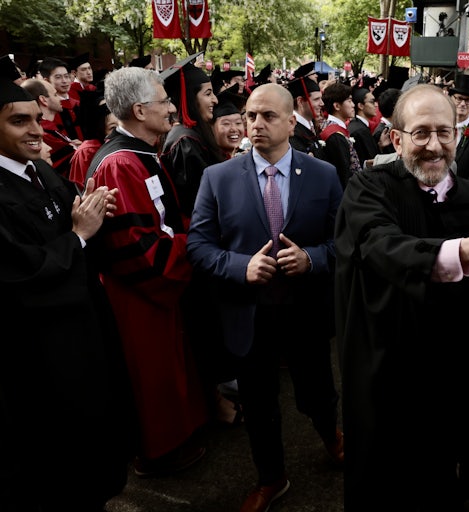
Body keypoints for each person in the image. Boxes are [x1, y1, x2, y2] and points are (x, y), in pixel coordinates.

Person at [336, 83, 469, 512]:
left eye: (444, 133)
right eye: (421, 133)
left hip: (452, 374)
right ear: (397, 138)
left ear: (459, 134)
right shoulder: (369, 188)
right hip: (390, 372)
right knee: (386, 482)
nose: (434, 146)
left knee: (441, 480)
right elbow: (381, 248)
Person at [187, 83, 344, 512]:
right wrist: (242, 267)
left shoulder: (323, 174)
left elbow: (346, 242)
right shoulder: (216, 178)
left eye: (268, 116)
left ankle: (332, 436)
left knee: (317, 389)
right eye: (251, 116)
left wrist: (312, 259)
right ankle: (271, 478)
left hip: (306, 311)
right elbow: (198, 246)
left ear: (292, 122)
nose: (255, 124)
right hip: (248, 313)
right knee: (258, 404)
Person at [0, 78, 131, 511]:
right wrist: (78, 235)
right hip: (37, 352)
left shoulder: (39, 170)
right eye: (20, 121)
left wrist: (93, 207)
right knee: (54, 458)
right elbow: (20, 272)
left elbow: (76, 217)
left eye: (38, 118)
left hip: (80, 331)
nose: (37, 130)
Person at [86, 66, 209, 478]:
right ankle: (159, 451)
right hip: (136, 294)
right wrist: (194, 247)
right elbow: (137, 248)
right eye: (164, 100)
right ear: (140, 110)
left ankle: (178, 435)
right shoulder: (119, 164)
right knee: (150, 373)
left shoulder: (140, 155)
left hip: (151, 286)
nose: (172, 108)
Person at [160, 53, 223, 219]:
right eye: (208, 93)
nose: (215, 100)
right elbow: (200, 200)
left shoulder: (185, 136)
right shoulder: (185, 141)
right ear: (189, 97)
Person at [20, 78, 77, 178]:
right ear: (43, 100)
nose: (59, 99)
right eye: (55, 95)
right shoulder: (43, 134)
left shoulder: (50, 128)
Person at [69, 88, 118, 190]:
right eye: (113, 128)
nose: (119, 132)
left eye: (121, 126)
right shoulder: (87, 152)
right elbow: (81, 189)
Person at [319, 81, 361, 188]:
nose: (353, 105)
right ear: (337, 106)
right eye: (349, 101)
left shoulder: (332, 127)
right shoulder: (335, 135)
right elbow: (343, 174)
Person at [38, 57, 82, 142]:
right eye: (58, 77)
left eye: (66, 76)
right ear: (46, 81)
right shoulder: (47, 110)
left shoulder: (79, 104)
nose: (64, 81)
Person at [286, 75, 324, 155]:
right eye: (316, 99)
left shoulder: (311, 126)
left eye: (321, 99)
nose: (322, 103)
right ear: (300, 101)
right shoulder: (292, 133)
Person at [348, 87, 386, 164]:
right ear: (361, 106)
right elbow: (372, 160)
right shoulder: (360, 130)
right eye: (372, 102)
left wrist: (380, 145)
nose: (376, 105)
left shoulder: (358, 125)